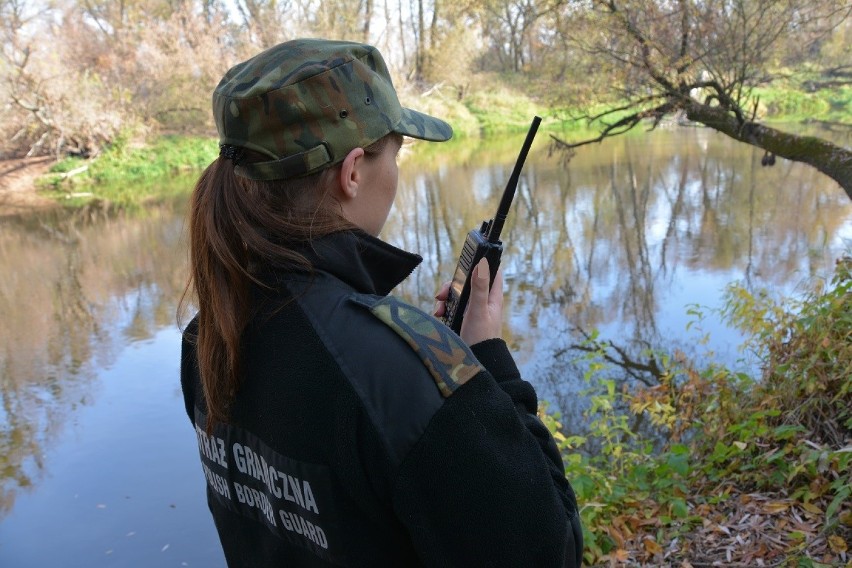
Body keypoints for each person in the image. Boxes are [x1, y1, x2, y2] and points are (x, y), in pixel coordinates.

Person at [179, 37, 583, 567]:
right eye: (395, 151)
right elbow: (549, 552)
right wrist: (487, 362)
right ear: (352, 172)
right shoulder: (401, 374)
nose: (396, 171)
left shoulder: (209, 335)